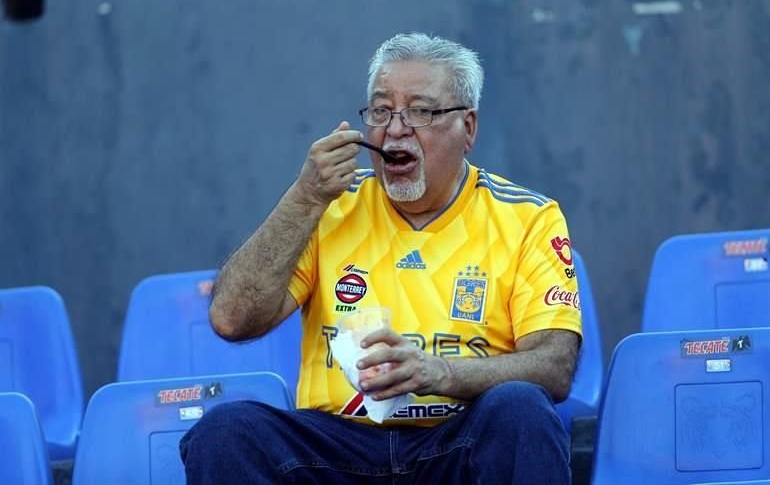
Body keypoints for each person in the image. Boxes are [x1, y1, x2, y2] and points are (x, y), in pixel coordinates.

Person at [181, 32, 582, 484]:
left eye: (421, 111)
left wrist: (439, 372)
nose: (394, 128)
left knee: (521, 410)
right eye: (380, 110)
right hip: (338, 447)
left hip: (455, 443)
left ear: (468, 128)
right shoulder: (328, 203)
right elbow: (232, 319)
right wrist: (304, 197)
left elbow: (554, 367)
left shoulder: (526, 216)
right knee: (227, 432)